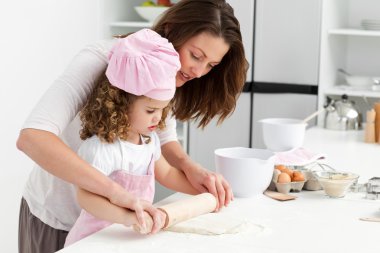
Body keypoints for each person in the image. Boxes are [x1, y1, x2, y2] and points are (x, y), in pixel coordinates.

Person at [16, 0, 248, 252]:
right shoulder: (100, 59)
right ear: (171, 30)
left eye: (211, 65)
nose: (199, 72)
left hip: (113, 230)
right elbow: (32, 137)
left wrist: (192, 169)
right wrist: (117, 195)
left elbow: (162, 137)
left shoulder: (168, 74)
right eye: (196, 56)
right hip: (56, 220)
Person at [64, 28, 199, 247]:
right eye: (150, 111)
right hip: (95, 240)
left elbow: (166, 172)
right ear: (121, 104)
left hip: (128, 237)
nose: (157, 118)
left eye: (162, 110)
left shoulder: (149, 141)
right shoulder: (102, 149)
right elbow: (86, 197)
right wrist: (127, 217)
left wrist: (203, 191)